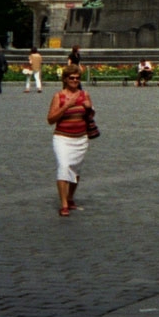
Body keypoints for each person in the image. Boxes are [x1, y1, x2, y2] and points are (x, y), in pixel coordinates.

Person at [47, 65, 92, 216]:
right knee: (64, 166)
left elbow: (90, 116)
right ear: (65, 79)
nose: (75, 80)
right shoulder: (58, 96)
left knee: (75, 170)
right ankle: (64, 204)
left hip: (81, 138)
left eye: (77, 78)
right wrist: (66, 106)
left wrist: (89, 108)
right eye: (71, 78)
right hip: (62, 138)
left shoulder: (84, 94)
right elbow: (50, 119)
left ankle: (70, 197)